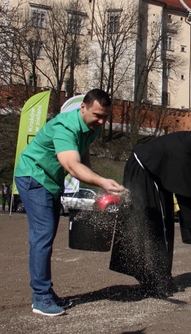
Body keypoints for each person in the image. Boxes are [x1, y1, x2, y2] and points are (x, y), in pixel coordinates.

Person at [14, 88, 125, 317]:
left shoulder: (91, 126)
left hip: (51, 181)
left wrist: (93, 182)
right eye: (97, 115)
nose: (101, 121)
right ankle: (41, 298)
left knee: (47, 234)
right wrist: (102, 181)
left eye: (105, 116)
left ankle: (46, 292)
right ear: (82, 107)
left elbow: (82, 157)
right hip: (33, 176)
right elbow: (72, 165)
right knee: (42, 236)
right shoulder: (66, 127)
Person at [109, 128, 191, 297]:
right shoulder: (182, 154)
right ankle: (155, 281)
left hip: (157, 174)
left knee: (166, 223)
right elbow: (186, 195)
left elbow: (190, 186)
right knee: (155, 225)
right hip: (144, 171)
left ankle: (159, 278)